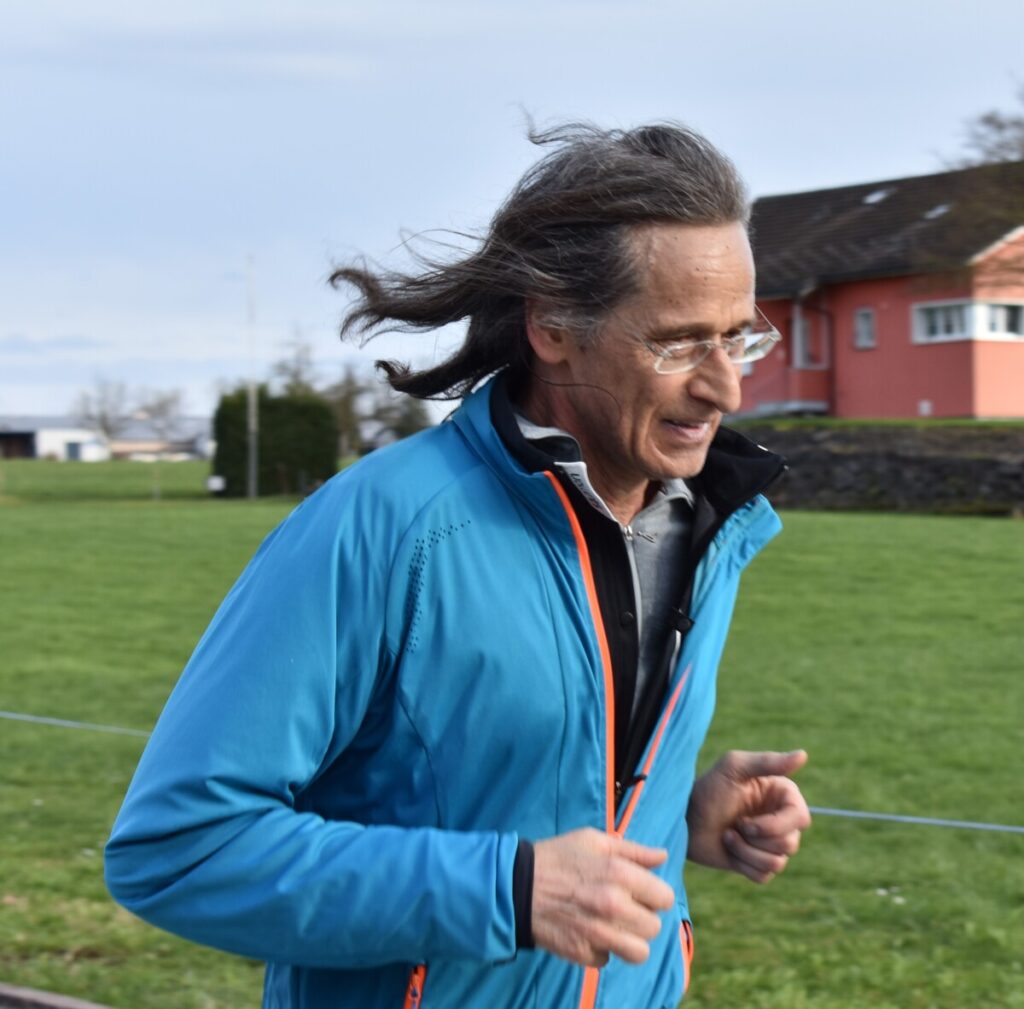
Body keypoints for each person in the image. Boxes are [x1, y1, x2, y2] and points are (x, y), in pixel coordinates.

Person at [105, 122, 811, 1009]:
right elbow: (181, 848)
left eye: (738, 338)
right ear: (553, 326)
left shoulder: (710, 523)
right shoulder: (381, 525)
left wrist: (674, 815)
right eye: (677, 344)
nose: (726, 388)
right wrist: (505, 890)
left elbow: (545, 795)